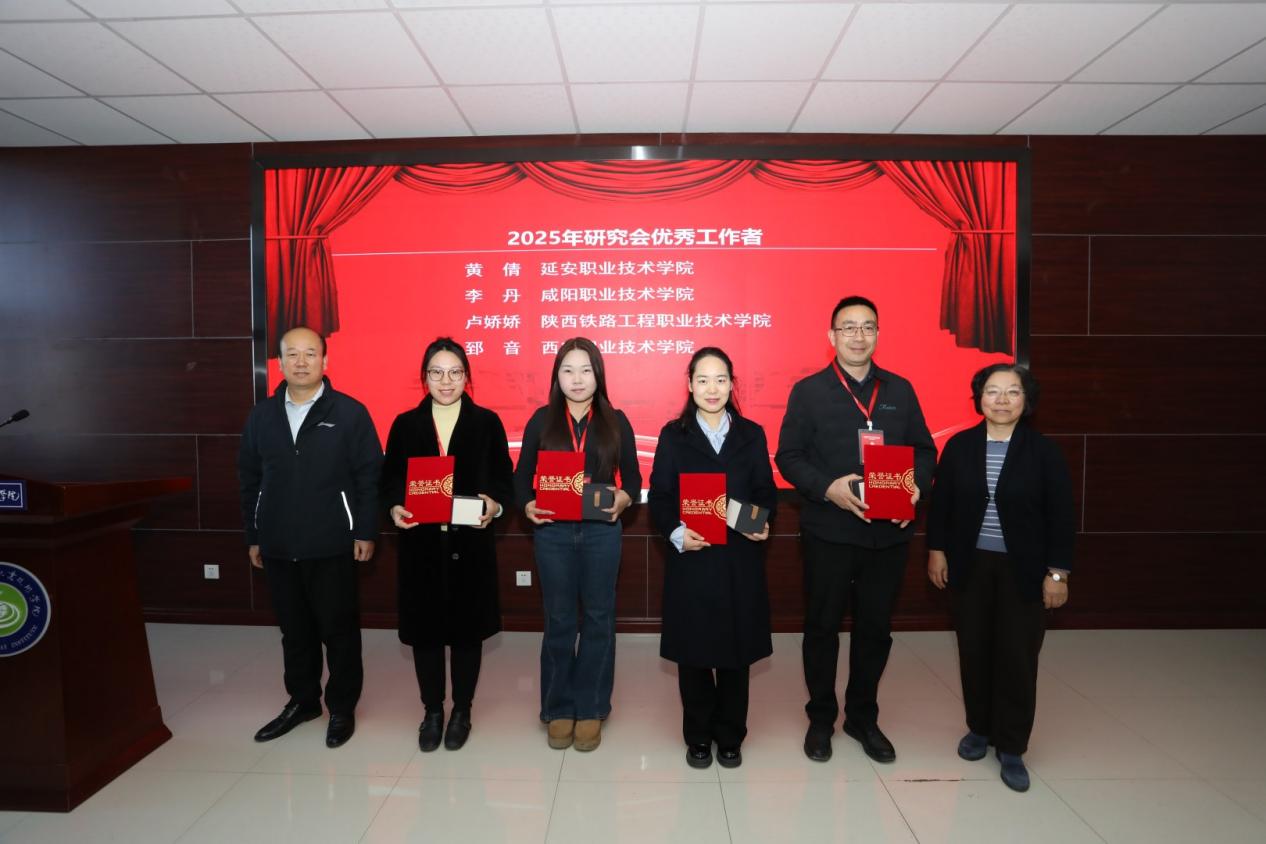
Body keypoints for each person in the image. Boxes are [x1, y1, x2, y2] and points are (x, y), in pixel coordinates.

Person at [775, 295, 935, 764]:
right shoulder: (809, 391)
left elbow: (925, 452)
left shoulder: (900, 389)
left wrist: (914, 488)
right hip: (829, 531)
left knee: (875, 629)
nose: (858, 336)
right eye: (849, 327)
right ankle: (821, 718)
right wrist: (828, 488)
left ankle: (863, 717)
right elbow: (788, 457)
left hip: (887, 534)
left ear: (878, 335)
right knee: (822, 627)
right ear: (832, 336)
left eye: (868, 327)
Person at [926, 363, 1074, 792]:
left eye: (1013, 391)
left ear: (1027, 400)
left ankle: (1012, 746)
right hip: (969, 566)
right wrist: (936, 551)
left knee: (1017, 657)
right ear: (979, 398)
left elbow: (1062, 516)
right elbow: (942, 505)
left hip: (1023, 570)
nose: (1002, 400)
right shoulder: (960, 446)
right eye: (993, 391)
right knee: (974, 650)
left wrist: (1058, 573)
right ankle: (980, 728)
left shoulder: (1044, 452)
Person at [239, 326, 382, 748]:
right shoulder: (261, 416)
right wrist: (254, 534)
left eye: (310, 353)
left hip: (333, 541)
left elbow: (369, 477)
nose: (301, 362)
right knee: (294, 630)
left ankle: (342, 707)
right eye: (292, 354)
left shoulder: (350, 413)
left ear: (325, 360)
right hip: (278, 543)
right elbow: (249, 480)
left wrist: (365, 530)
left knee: (339, 630)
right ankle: (302, 701)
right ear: (280, 362)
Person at [380, 338, 514, 752]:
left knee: (467, 634)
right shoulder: (406, 424)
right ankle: (433, 711)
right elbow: (389, 480)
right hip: (421, 547)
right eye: (436, 372)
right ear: (424, 378)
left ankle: (462, 711)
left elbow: (503, 479)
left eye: (455, 372)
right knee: (426, 635)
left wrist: (494, 504)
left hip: (470, 547)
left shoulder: (487, 422)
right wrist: (394, 506)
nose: (446, 381)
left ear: (467, 377)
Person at [647, 347, 776, 770]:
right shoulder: (673, 435)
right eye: (702, 380)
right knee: (695, 654)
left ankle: (731, 735)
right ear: (689, 385)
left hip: (739, 559)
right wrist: (676, 533)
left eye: (721, 379)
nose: (712, 388)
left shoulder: (752, 434)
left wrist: (761, 521)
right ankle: (699, 735)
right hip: (693, 558)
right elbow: (661, 497)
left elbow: (765, 491)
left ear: (732, 384)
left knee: (736, 656)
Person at [513, 337, 640, 752]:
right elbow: (521, 479)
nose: (577, 379)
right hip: (553, 533)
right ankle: (558, 707)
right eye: (568, 370)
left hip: (602, 532)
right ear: (557, 377)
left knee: (600, 619)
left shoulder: (616, 421)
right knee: (560, 619)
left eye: (586, 370)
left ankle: (592, 707)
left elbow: (634, 480)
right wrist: (527, 505)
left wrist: (624, 499)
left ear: (598, 375)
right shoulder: (541, 421)